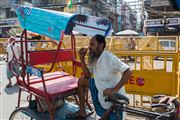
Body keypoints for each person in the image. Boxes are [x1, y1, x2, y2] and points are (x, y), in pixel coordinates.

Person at [66, 34, 132, 119]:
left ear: (100, 46)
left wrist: (115, 89)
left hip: (113, 100)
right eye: (89, 44)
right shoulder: (94, 57)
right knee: (81, 81)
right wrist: (81, 59)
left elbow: (128, 71)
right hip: (100, 90)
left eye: (92, 44)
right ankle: (82, 111)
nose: (89, 47)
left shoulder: (110, 58)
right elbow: (88, 76)